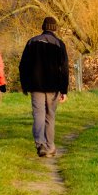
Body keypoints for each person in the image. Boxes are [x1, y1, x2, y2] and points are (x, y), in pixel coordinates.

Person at [19, 16, 69, 158]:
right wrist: (64, 90)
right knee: (50, 116)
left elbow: (23, 66)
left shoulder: (31, 42)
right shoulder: (59, 44)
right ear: (55, 28)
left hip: (36, 86)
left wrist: (25, 84)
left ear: (43, 27)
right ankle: (50, 146)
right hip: (53, 87)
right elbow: (64, 69)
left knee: (38, 115)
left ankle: (40, 144)